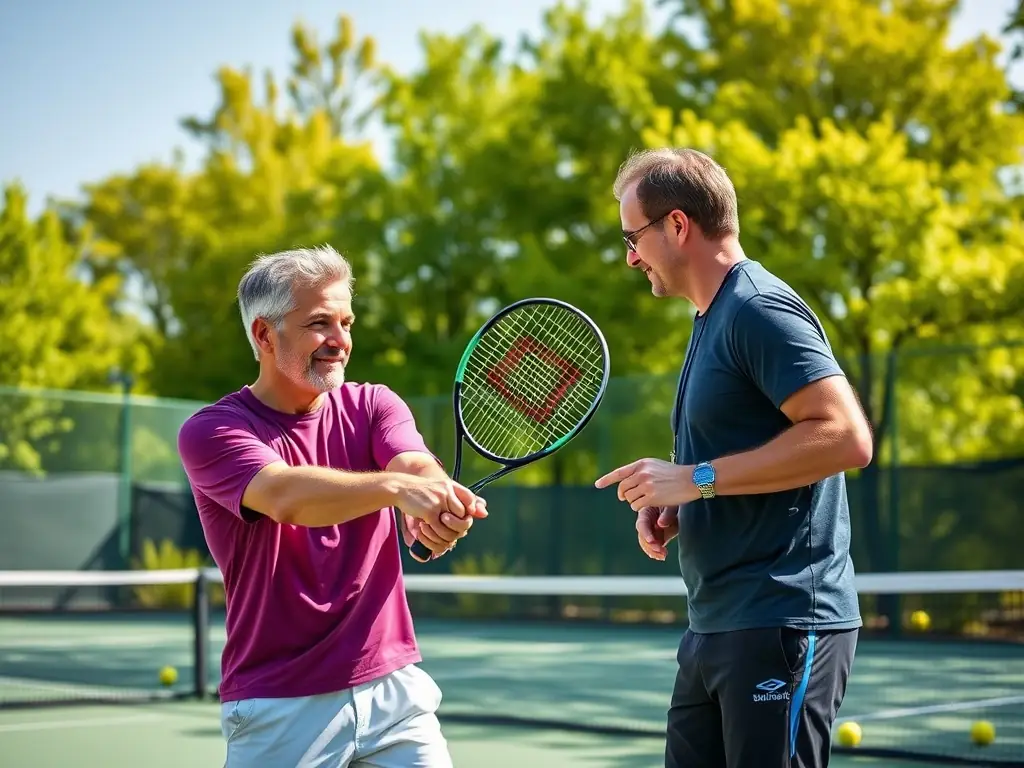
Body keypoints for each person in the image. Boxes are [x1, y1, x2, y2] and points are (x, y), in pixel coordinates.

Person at [594, 148, 873, 768]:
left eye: (633, 237)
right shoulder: (711, 318)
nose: (631, 257)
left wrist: (695, 480)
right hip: (714, 626)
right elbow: (734, 468)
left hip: (781, 621)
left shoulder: (759, 309)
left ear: (677, 225)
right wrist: (682, 504)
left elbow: (846, 437)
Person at [177, 245, 486, 767]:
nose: (340, 340)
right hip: (279, 704)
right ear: (264, 335)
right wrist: (397, 490)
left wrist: (434, 504)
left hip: (394, 694)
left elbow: (414, 464)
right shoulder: (211, 431)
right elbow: (285, 496)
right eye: (319, 323)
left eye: (346, 322)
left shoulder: (375, 403)